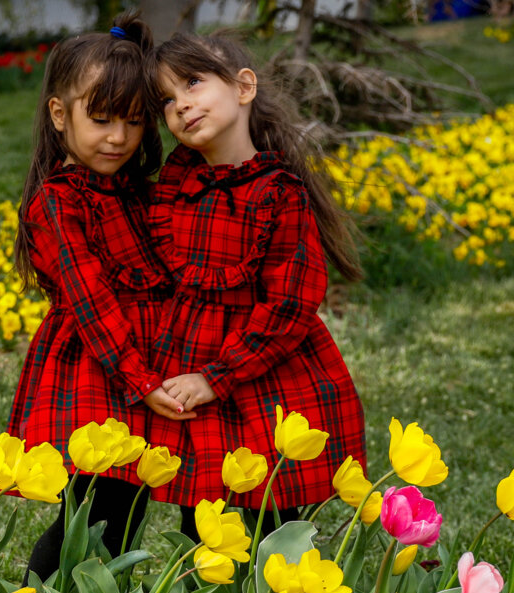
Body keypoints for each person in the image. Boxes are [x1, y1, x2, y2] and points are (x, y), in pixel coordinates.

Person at [145, 32, 368, 535]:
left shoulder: (278, 193)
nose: (180, 105)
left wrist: (218, 375)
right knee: (202, 513)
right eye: (166, 99)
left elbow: (291, 305)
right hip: (191, 367)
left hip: (265, 373)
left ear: (244, 87)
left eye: (194, 83)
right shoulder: (175, 190)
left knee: (270, 508)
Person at [9, 13, 191, 582]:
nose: (118, 137)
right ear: (60, 115)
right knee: (92, 508)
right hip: (96, 367)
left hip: (144, 366)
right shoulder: (58, 203)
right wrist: (141, 379)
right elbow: (91, 303)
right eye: (102, 118)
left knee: (128, 508)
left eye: (134, 122)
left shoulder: (134, 191)